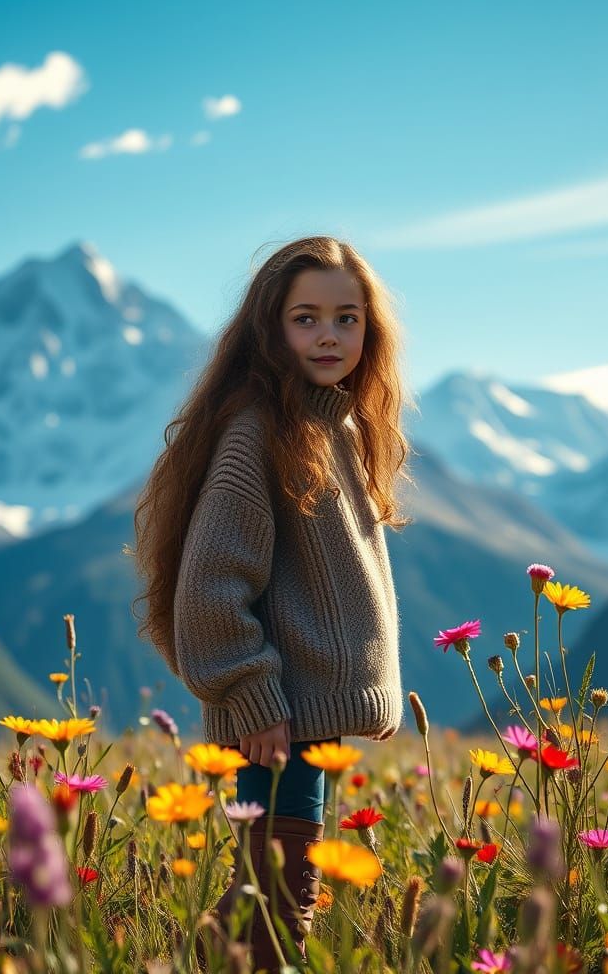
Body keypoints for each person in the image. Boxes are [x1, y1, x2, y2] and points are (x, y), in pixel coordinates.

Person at [132, 235, 415, 967]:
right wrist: (254, 696)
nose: (329, 335)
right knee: (278, 891)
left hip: (303, 715)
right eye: (306, 318)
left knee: (279, 887)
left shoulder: (337, 423)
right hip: (274, 717)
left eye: (347, 318)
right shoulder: (256, 433)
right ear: (270, 327)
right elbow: (211, 587)